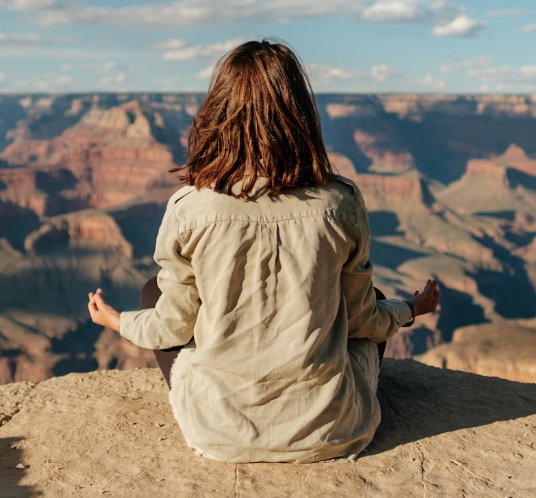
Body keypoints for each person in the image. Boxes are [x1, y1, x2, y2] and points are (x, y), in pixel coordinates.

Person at [88, 39, 441, 464]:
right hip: (333, 432)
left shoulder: (190, 207)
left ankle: (226, 411)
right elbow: (364, 320)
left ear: (218, 114)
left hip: (218, 435)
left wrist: (116, 321)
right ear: (301, 115)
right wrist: (410, 308)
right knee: (375, 299)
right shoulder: (339, 201)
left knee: (153, 294)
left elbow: (173, 329)